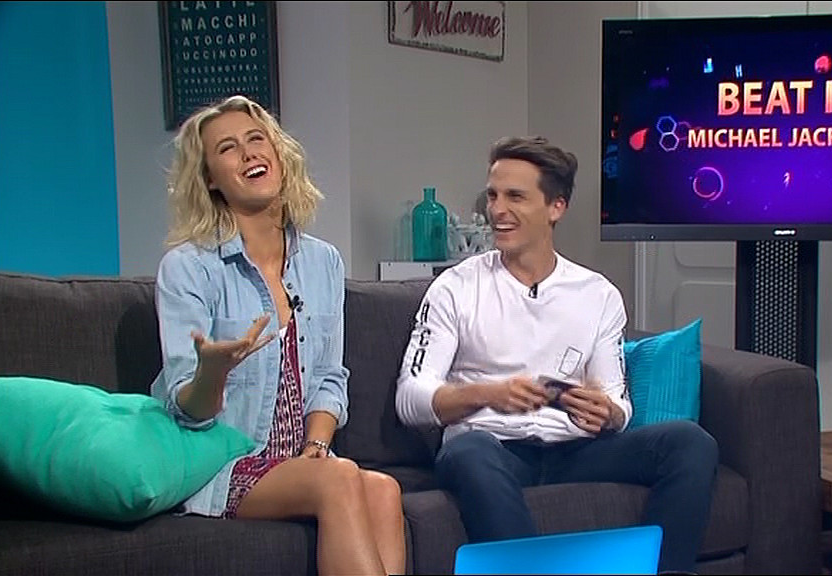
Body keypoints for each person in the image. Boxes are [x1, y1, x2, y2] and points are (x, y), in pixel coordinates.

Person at [394, 136, 718, 573]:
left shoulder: (597, 294)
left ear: (556, 207)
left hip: (575, 450)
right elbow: (410, 398)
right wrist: (487, 394)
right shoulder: (455, 287)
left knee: (689, 442)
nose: (497, 210)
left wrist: (607, 412)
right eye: (493, 195)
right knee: (469, 452)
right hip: (490, 446)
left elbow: (618, 401)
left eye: (515, 197)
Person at [150, 95, 404, 576]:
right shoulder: (188, 267)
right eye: (227, 148)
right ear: (210, 178)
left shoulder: (322, 261)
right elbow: (186, 410)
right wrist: (212, 373)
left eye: (256, 139)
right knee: (338, 480)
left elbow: (329, 376)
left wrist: (317, 449)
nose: (248, 153)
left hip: (301, 461)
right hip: (223, 464)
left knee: (383, 489)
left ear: (278, 153)